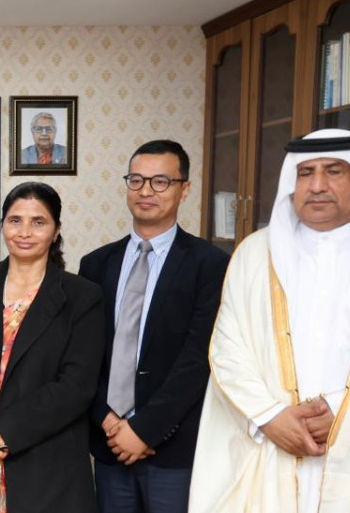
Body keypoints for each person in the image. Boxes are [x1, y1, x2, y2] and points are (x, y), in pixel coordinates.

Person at [190, 129, 350, 513]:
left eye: (334, 171)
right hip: (269, 447)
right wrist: (270, 416)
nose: (317, 186)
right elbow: (229, 348)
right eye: (305, 173)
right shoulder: (254, 254)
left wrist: (343, 411)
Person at [0, 181, 103, 513]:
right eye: (15, 220)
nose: (25, 232)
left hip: (45, 470)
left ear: (56, 231)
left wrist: (5, 432)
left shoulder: (83, 297)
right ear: (2, 225)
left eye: (38, 222)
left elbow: (76, 386)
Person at [79, 140, 228, 513]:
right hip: (109, 443)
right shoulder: (95, 265)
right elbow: (83, 355)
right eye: (136, 180)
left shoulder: (210, 265)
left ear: (184, 189)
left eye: (160, 181)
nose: (146, 191)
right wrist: (107, 418)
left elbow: (199, 359)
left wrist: (144, 430)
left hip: (173, 448)